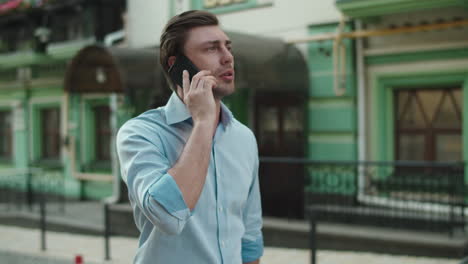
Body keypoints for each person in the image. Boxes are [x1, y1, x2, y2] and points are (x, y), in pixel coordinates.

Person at [116, 10, 263, 264]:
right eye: (211, 49)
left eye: (228, 47)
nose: (228, 58)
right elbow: (168, 216)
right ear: (178, 66)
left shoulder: (244, 138)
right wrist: (203, 123)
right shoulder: (139, 133)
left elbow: (249, 237)